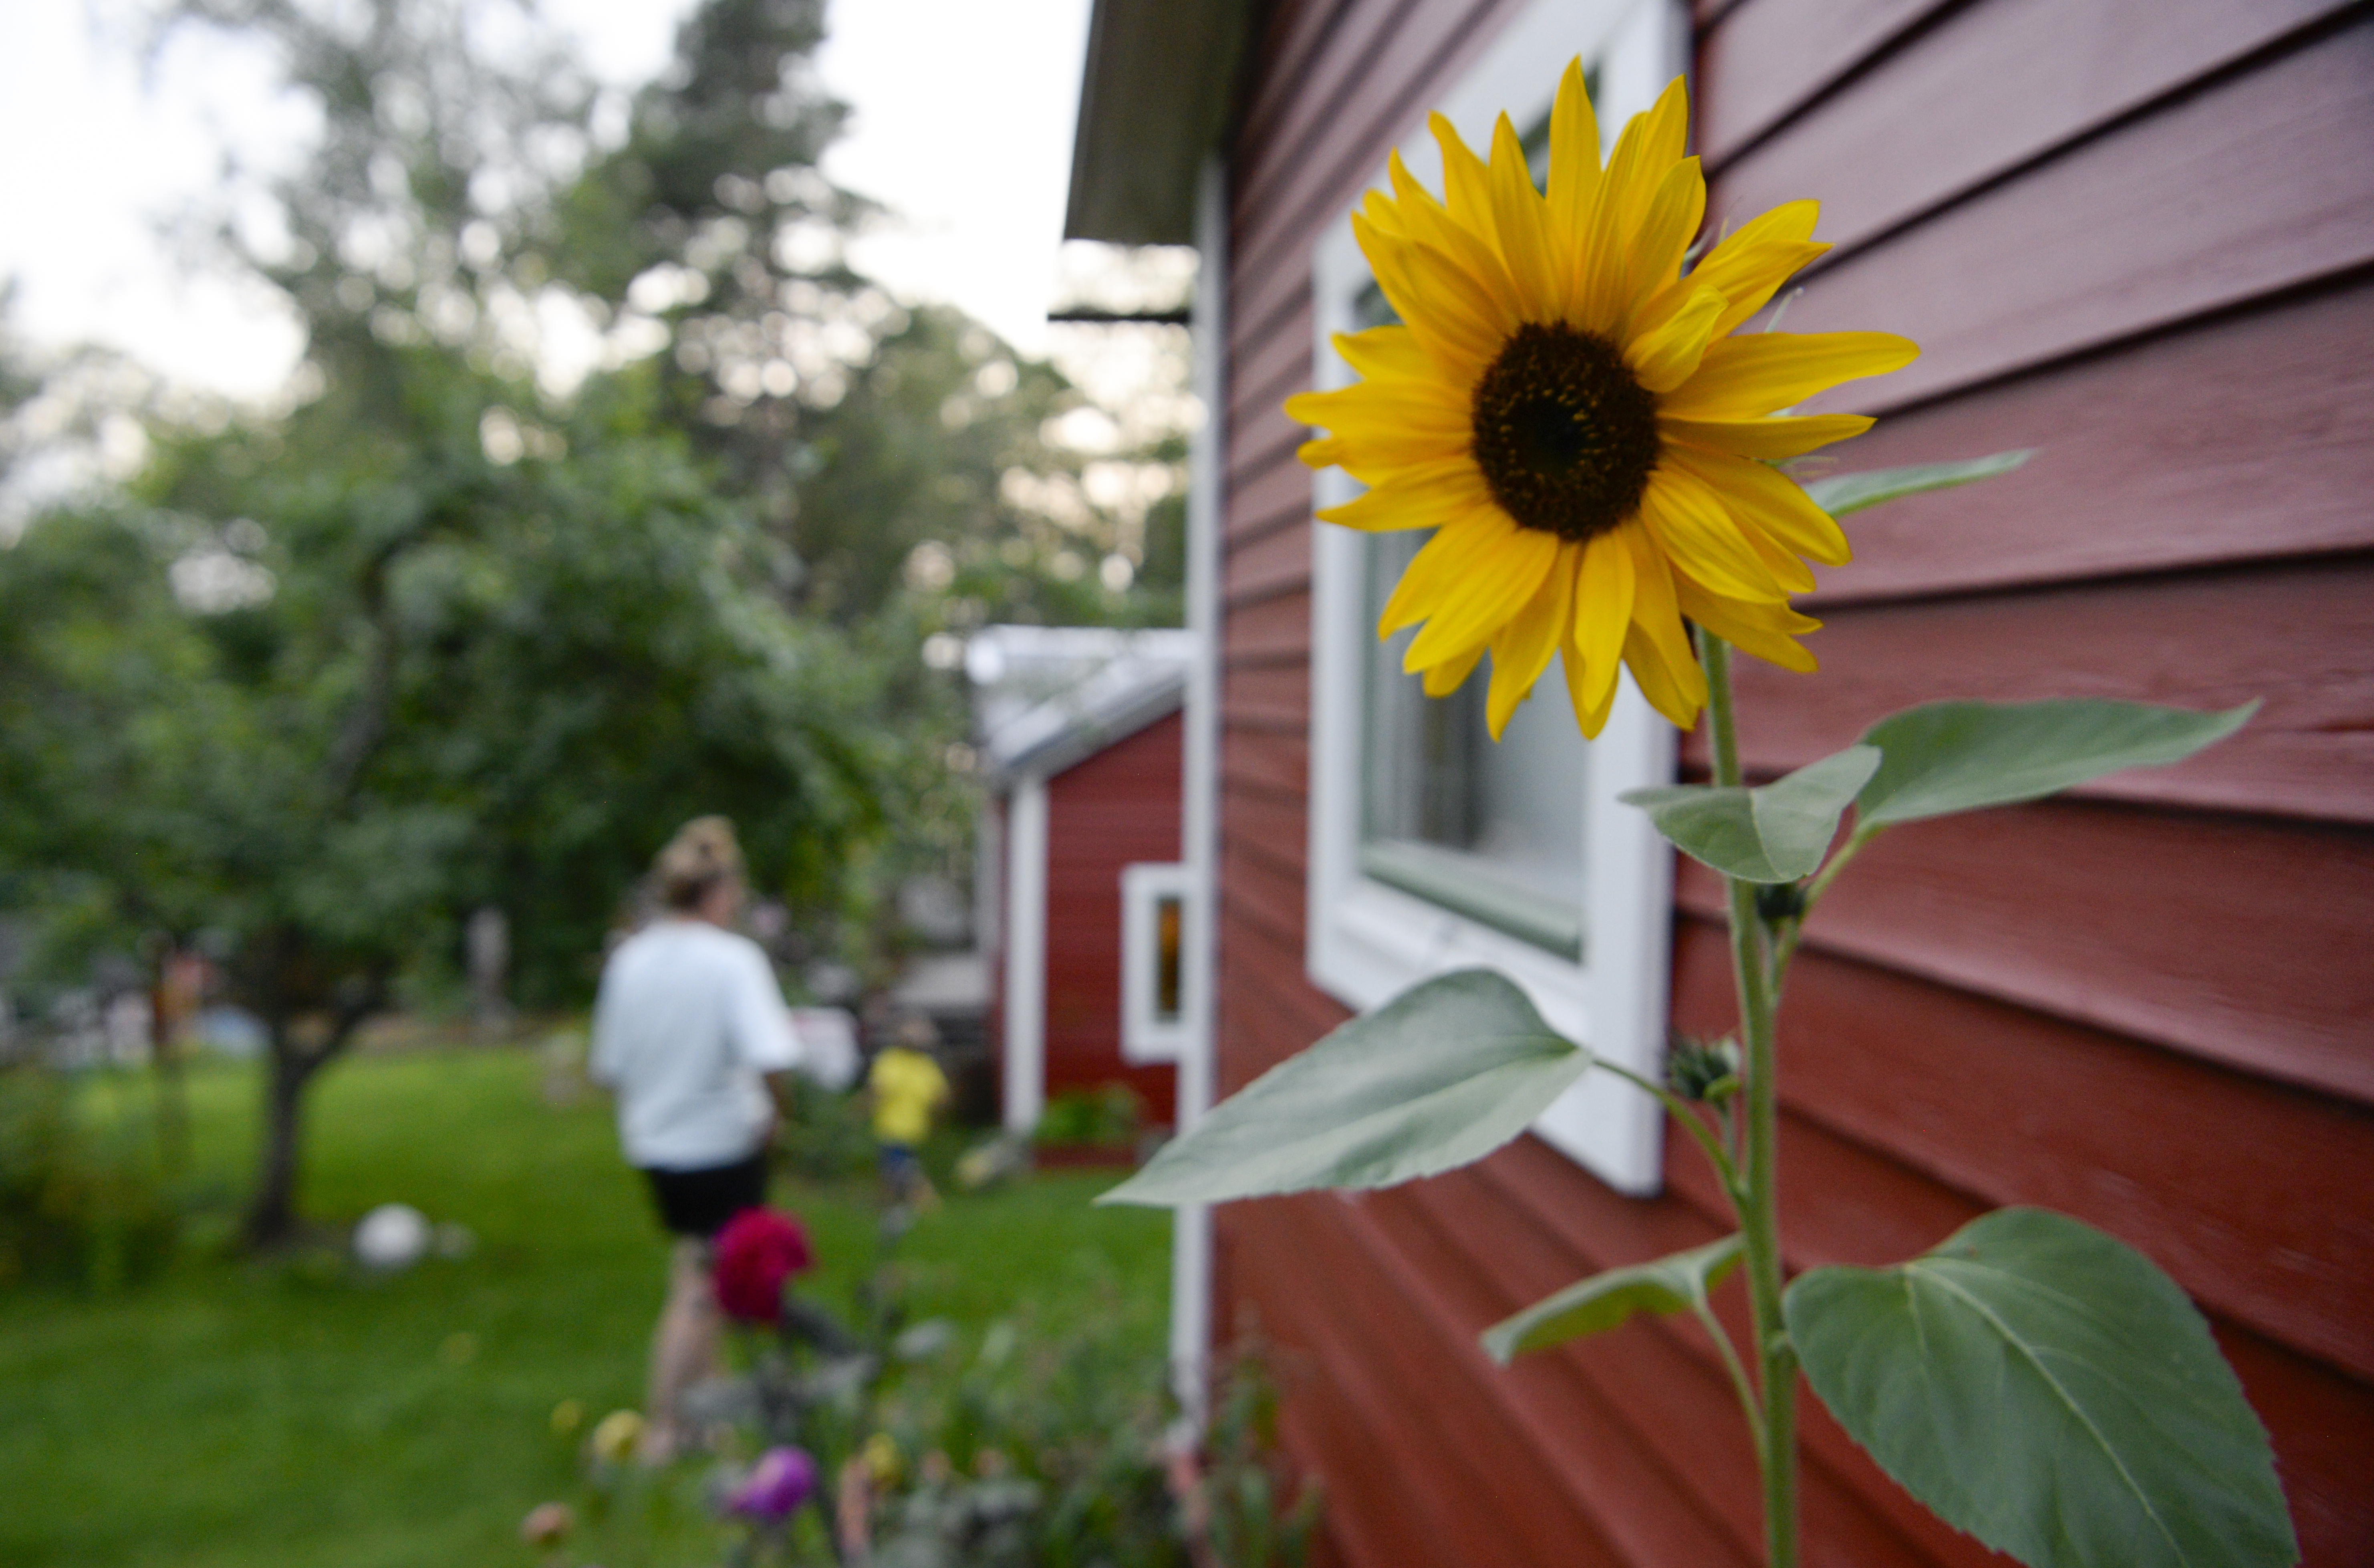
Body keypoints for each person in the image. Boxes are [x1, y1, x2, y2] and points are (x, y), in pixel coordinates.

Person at [589, 816, 801, 1463]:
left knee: (697, 1266)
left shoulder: (629, 957)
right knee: (702, 1290)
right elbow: (771, 1054)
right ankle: (665, 1426)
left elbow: (610, 1067)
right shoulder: (731, 959)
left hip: (657, 1148)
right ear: (719, 890)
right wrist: (779, 1113)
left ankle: (711, 1419)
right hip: (723, 1147)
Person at [866, 1013, 949, 1208]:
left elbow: (879, 1091)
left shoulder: (890, 1062)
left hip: (894, 1128)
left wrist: (862, 1108)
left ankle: (922, 1201)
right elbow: (941, 1099)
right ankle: (896, 1204)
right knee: (899, 1168)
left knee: (899, 1170)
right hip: (913, 1129)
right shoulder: (926, 1065)